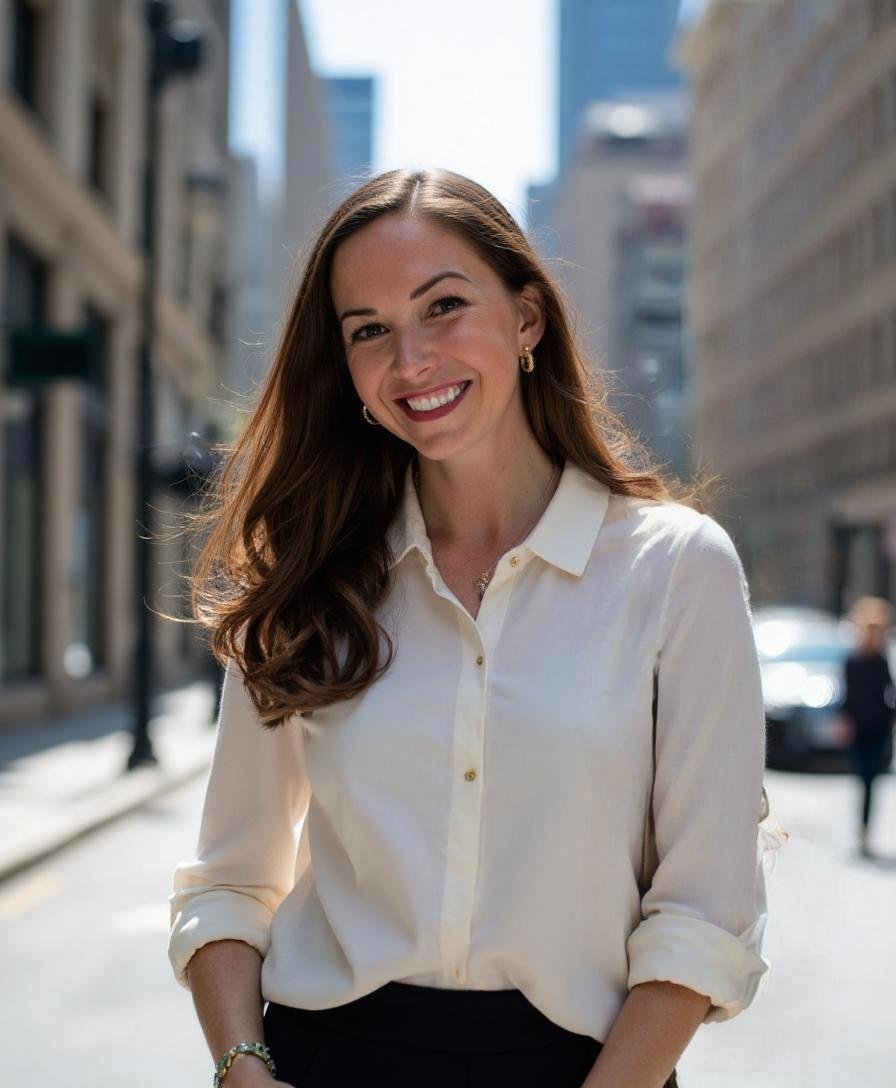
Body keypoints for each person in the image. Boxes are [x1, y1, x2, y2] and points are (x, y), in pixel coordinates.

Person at [167, 168, 783, 1088]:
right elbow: (227, 881)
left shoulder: (677, 570)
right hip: (326, 1058)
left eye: (443, 307)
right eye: (368, 331)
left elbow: (703, 911)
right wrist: (242, 1068)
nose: (410, 361)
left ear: (527, 319)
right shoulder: (313, 575)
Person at [841, 596, 895, 858]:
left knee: (872, 779)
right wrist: (844, 721)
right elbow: (847, 696)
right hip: (860, 729)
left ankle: (865, 830)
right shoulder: (852, 661)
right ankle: (861, 829)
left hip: (879, 728)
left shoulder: (882, 661)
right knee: (862, 778)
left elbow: (889, 692)